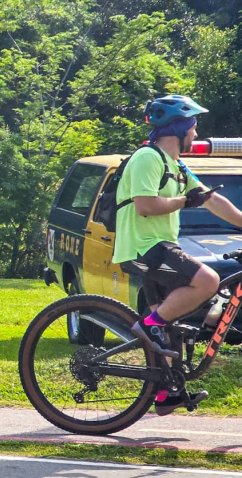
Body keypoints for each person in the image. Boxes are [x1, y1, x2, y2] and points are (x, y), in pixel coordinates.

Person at [113, 95, 242, 415]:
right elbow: (145, 206)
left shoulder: (176, 166)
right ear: (179, 129)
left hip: (157, 245)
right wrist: (185, 202)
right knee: (208, 280)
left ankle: (165, 393)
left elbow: (212, 200)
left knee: (169, 324)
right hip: (144, 245)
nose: (196, 134)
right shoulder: (148, 158)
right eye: (193, 127)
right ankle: (149, 325)